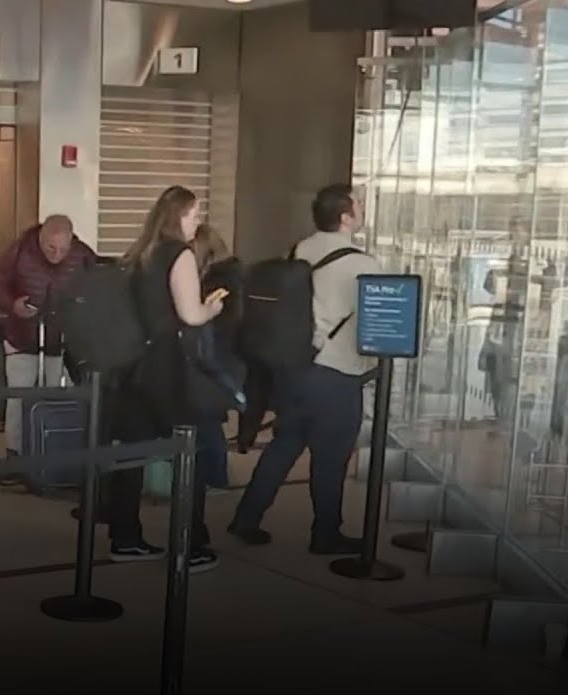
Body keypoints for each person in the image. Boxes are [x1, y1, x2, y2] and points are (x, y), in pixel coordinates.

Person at [229, 183, 379, 555]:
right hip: (336, 373)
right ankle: (326, 533)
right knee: (330, 458)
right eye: (358, 204)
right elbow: (373, 321)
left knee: (284, 445)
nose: (361, 209)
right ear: (346, 217)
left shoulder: (300, 250)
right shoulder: (363, 263)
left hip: (293, 368)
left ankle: (246, 518)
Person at [114, 185, 224, 568]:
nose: (199, 221)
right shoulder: (179, 254)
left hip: (132, 366)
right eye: (194, 214)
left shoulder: (139, 254)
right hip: (165, 366)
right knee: (187, 450)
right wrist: (212, 308)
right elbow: (190, 315)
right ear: (179, 216)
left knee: (131, 454)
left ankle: (124, 537)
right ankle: (191, 543)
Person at [0, 214, 96, 489]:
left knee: (59, 399)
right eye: (51, 248)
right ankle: (15, 460)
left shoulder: (82, 255)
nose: (58, 255)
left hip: (61, 342)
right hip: (22, 337)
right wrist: (12, 305)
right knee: (18, 401)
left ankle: (55, 455)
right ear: (41, 238)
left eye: (63, 249)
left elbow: (96, 287)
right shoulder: (20, 250)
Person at [192, 224, 242, 489]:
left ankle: (214, 478)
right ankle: (215, 477)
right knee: (209, 420)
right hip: (224, 357)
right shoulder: (232, 275)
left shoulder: (215, 282)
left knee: (207, 422)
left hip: (214, 358)